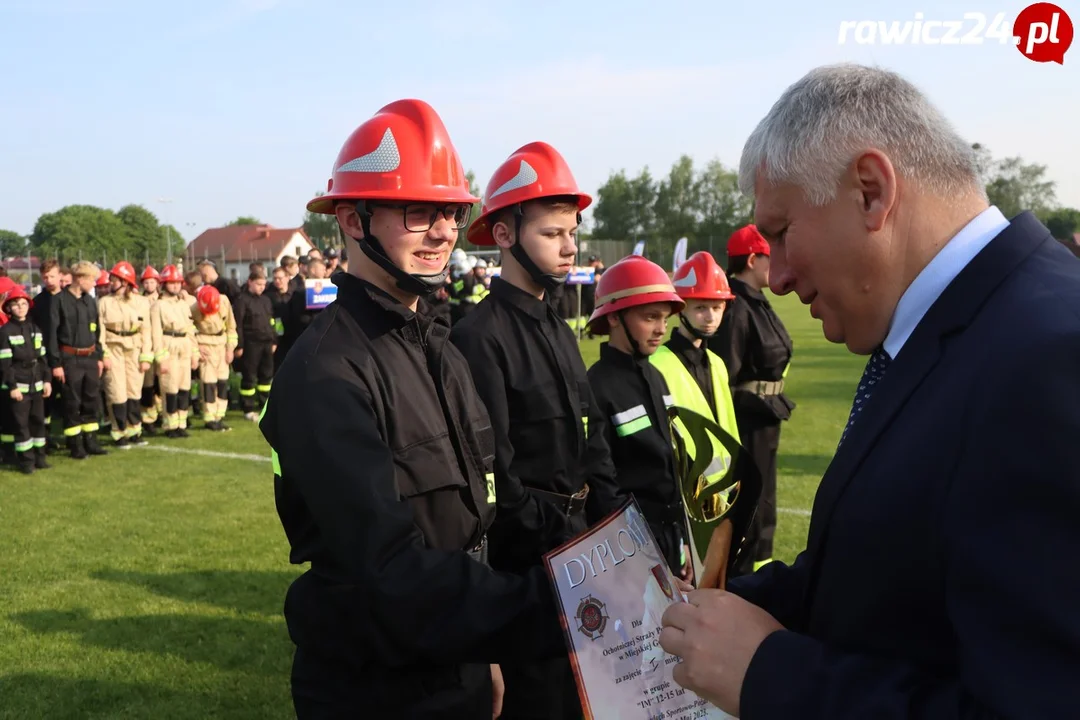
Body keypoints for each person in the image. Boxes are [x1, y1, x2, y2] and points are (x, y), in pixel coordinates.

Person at [658, 63, 1080, 718]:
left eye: (781, 231)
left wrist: (770, 673)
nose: (776, 275)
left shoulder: (1050, 356)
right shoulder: (960, 329)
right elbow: (896, 578)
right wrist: (715, 612)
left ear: (870, 191)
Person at [260, 98, 566, 719]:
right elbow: (390, 571)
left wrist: (486, 657)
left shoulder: (438, 348)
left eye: (451, 212)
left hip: (455, 658)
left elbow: (477, 517)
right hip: (377, 689)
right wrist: (567, 607)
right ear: (352, 219)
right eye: (418, 212)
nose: (445, 232)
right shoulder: (325, 372)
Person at [450, 141, 624, 720]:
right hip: (529, 562)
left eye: (572, 232)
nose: (570, 246)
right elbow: (493, 468)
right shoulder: (479, 337)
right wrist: (562, 540)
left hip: (583, 547)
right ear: (503, 234)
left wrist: (616, 530)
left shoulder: (558, 323)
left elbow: (591, 435)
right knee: (542, 702)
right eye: (552, 233)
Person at [584, 254, 691, 579]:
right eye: (650, 317)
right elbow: (603, 484)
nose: (661, 329)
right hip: (632, 549)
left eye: (665, 318)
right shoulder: (597, 385)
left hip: (671, 539)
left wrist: (684, 542)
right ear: (614, 317)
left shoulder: (656, 376)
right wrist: (642, 556)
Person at [709, 225, 795, 574]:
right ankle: (740, 581)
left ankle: (758, 578)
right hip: (747, 421)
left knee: (766, 507)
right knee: (752, 509)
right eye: (769, 255)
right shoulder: (736, 307)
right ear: (752, 259)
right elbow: (723, 374)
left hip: (767, 417)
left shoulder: (755, 302)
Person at [650, 251, 740, 495]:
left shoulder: (717, 363)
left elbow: (729, 428)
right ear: (679, 309)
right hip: (682, 494)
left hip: (723, 491)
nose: (710, 317)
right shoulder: (656, 364)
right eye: (700, 307)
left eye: (717, 307)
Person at [47, 261, 109, 459]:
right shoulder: (58, 301)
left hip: (90, 358)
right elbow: (52, 335)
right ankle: (75, 444)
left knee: (91, 400)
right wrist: (56, 364)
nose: (94, 284)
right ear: (80, 278)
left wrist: (98, 357)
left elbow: (96, 331)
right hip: (69, 359)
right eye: (91, 280)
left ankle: (91, 440)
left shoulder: (90, 302)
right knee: (72, 402)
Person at [98, 261, 152, 448]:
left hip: (134, 350)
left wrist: (146, 356)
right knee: (116, 392)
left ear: (126, 282)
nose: (111, 282)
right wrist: (103, 354)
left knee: (134, 392)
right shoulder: (104, 303)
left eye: (115, 279)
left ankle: (135, 430)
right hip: (114, 351)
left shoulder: (141, 303)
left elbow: (146, 330)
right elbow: (101, 333)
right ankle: (119, 432)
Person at [0, 285, 52, 473]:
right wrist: (12, 386)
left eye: (23, 304)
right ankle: (26, 462)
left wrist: (47, 381)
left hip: (36, 383)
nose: (20, 307)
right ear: (9, 308)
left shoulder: (35, 329)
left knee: (38, 421)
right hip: (18, 386)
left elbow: (43, 358)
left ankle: (40, 458)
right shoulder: (5, 332)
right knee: (21, 425)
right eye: (16, 305)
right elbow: (5, 364)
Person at [150, 264, 199, 438]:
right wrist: (161, 357)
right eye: (171, 283)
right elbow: (155, 333)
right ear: (164, 284)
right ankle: (170, 425)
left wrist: (195, 353)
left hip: (184, 344)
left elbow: (190, 329)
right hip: (168, 344)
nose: (176, 286)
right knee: (169, 388)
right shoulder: (158, 306)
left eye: (178, 283)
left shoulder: (184, 305)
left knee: (184, 387)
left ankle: (181, 423)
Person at [192, 284, 236, 431]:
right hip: (205, 346)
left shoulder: (224, 301)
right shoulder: (194, 308)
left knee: (223, 382)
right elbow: (189, 332)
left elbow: (231, 327)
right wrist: (197, 348)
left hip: (222, 345)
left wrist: (230, 348)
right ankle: (209, 417)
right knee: (208, 383)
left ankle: (220, 415)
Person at [232, 270, 275, 420]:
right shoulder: (242, 300)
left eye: (264, 284)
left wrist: (274, 340)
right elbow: (238, 325)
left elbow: (272, 321)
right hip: (251, 344)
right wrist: (239, 346)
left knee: (266, 376)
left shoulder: (266, 300)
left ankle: (265, 405)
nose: (261, 287)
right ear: (250, 282)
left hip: (267, 343)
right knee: (249, 376)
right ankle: (248, 408)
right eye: (258, 284)